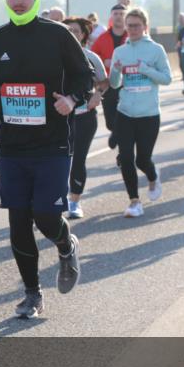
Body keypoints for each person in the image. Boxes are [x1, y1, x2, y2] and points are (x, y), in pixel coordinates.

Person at [0, 0, 92, 318]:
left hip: (52, 144)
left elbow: (85, 76)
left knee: (47, 217)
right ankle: (32, 294)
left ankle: (65, 243)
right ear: (7, 0)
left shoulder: (57, 35)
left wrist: (73, 99)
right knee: (18, 221)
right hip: (12, 144)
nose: (18, 1)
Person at [107, 8, 172, 218]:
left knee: (142, 160)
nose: (132, 29)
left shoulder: (156, 49)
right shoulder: (120, 51)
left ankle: (153, 176)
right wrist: (116, 71)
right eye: (129, 25)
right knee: (126, 158)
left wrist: (146, 70)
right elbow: (115, 84)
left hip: (149, 114)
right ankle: (134, 201)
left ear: (144, 26)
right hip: (125, 112)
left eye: (136, 25)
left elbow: (167, 78)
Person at [63, 16, 107, 219]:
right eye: (68, 30)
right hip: (60, 119)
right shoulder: (55, 57)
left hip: (84, 117)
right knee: (59, 161)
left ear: (84, 35)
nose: (72, 34)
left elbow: (103, 82)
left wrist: (98, 95)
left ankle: (74, 201)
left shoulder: (91, 57)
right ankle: (58, 201)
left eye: (76, 31)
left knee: (78, 160)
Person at [92, 3, 128, 156]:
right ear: (111, 17)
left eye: (122, 13)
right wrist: (104, 60)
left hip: (128, 83)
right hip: (108, 83)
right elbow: (93, 58)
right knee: (110, 121)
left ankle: (123, 152)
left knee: (126, 116)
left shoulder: (132, 36)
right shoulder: (102, 38)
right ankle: (118, 134)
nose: (119, 16)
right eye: (116, 14)